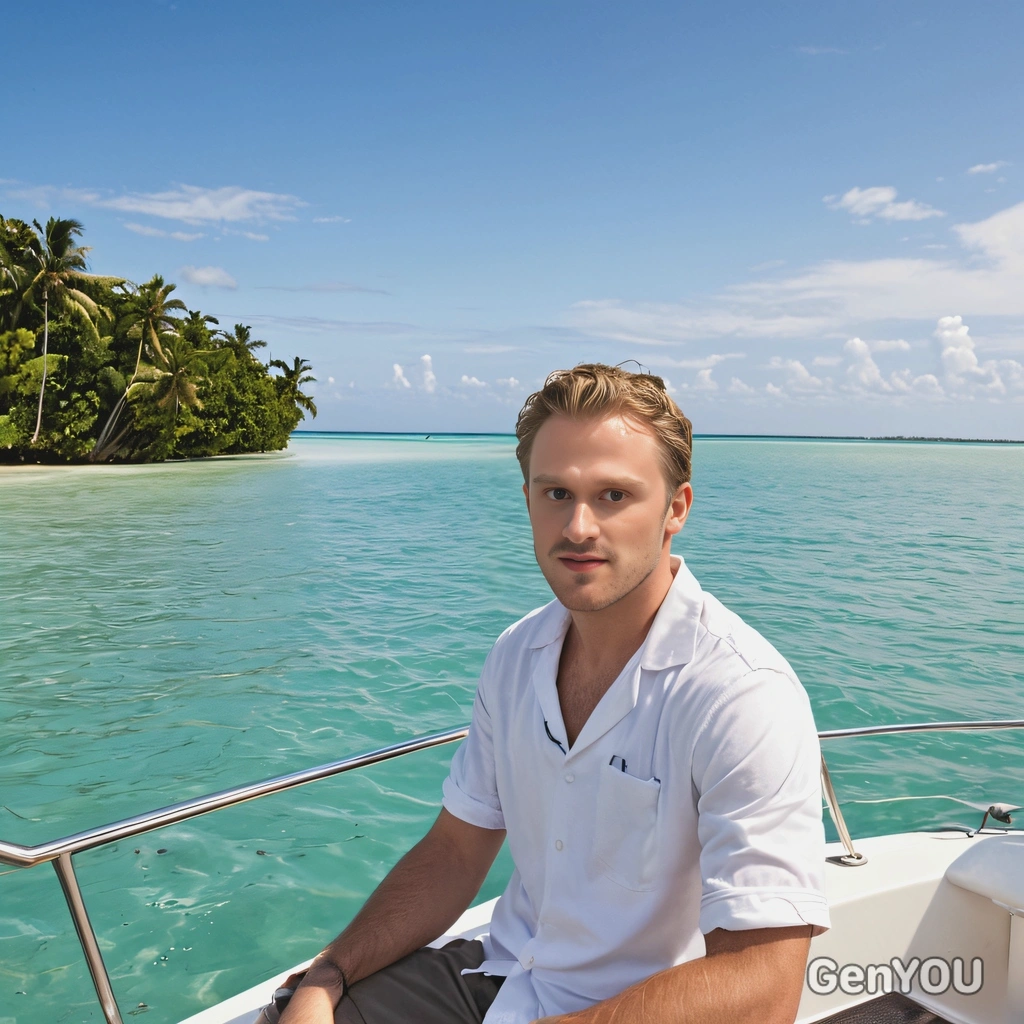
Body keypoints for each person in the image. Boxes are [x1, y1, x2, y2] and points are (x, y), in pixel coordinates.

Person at [274, 363, 830, 1024]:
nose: (578, 527)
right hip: (505, 973)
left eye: (614, 496)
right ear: (529, 498)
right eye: (556, 493)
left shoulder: (739, 695)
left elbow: (763, 987)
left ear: (676, 508)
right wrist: (328, 974)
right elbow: (455, 852)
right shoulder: (516, 657)